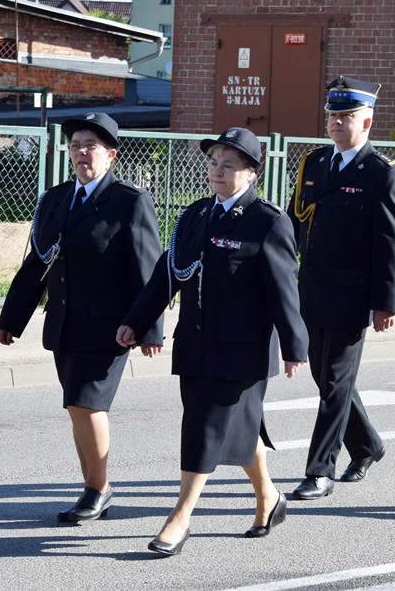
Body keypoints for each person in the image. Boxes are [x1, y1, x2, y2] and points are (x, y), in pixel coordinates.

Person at [116, 127, 307, 556]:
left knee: (204, 427)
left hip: (242, 351)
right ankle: (269, 497)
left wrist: (295, 345)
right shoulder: (198, 215)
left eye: (229, 164)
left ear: (251, 173)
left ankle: (180, 516)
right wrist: (136, 320)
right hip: (196, 345)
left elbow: (283, 289)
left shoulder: (268, 221)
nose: (217, 171)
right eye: (214, 162)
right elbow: (168, 273)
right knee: (235, 429)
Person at [0, 112, 163, 523]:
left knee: (87, 404)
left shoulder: (129, 200)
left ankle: (98, 489)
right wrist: (12, 319)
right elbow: (37, 262)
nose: (81, 153)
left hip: (112, 328)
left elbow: (147, 270)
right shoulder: (55, 199)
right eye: (75, 146)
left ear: (111, 154)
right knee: (76, 407)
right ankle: (94, 487)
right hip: (65, 324)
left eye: (90, 146)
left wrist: (148, 328)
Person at [289, 76, 395, 500]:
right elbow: (293, 225)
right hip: (312, 291)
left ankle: (320, 469)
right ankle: (368, 446)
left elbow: (391, 242)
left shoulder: (382, 174)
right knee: (324, 377)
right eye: (333, 115)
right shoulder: (314, 165)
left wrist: (385, 301)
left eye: (347, 116)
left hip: (352, 295)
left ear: (367, 122)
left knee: (335, 382)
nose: (337, 122)